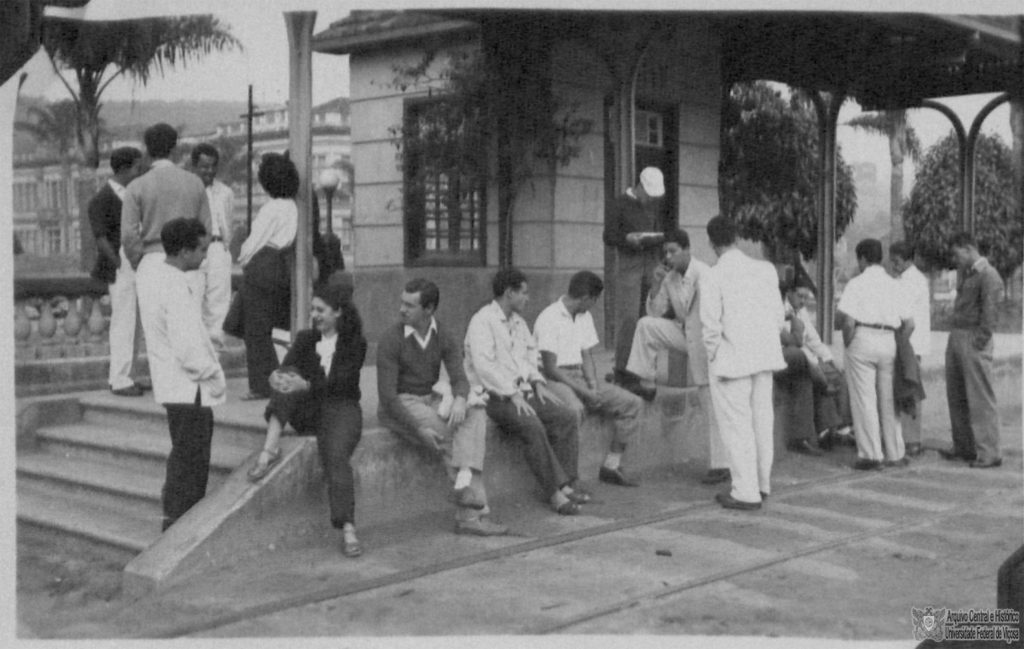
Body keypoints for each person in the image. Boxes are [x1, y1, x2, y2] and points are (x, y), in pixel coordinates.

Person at [377, 279, 508, 536]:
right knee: (453, 435)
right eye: (402, 303)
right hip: (401, 403)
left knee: (476, 413)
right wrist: (418, 430)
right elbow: (388, 398)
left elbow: (460, 378)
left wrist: (460, 398)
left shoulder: (442, 334)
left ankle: (465, 492)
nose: (402, 309)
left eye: (410, 305)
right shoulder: (391, 339)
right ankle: (472, 514)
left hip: (431, 397)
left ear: (429, 309)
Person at [246, 282, 367, 557]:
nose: (314, 315)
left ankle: (348, 526)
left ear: (338, 312)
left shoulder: (354, 343)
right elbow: (287, 366)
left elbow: (344, 383)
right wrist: (277, 377)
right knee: (288, 378)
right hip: (310, 410)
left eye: (320, 310)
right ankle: (269, 450)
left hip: (342, 408)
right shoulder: (305, 339)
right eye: (313, 309)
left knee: (336, 455)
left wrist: (307, 385)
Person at [464, 268, 588, 516]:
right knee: (531, 424)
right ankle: (554, 493)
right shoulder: (482, 321)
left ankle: (567, 484)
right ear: (509, 293)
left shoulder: (519, 323)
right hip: (493, 395)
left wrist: (537, 382)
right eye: (523, 292)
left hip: (522, 391)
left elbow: (530, 357)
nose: (527, 298)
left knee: (564, 416)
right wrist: (512, 394)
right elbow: (485, 367)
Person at [615, 229, 728, 485]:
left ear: (687, 250)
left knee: (710, 401)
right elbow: (655, 313)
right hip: (684, 333)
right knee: (646, 325)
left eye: (673, 251)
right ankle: (644, 381)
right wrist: (655, 286)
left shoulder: (705, 274)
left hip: (707, 342)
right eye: (665, 252)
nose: (668, 257)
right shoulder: (670, 278)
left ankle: (721, 464)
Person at [135, 218, 226, 532]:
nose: (204, 257)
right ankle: (180, 526)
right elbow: (188, 347)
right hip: (189, 387)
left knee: (183, 456)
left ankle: (175, 520)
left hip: (171, 385)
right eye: (201, 250)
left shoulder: (154, 275)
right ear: (185, 251)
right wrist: (213, 374)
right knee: (191, 462)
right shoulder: (174, 286)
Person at [700, 216, 786, 510]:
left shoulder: (712, 275)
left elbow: (710, 326)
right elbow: (778, 318)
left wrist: (715, 355)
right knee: (762, 422)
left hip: (731, 360)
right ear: (736, 238)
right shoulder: (765, 270)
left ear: (711, 243)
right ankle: (761, 484)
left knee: (737, 427)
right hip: (764, 357)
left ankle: (745, 491)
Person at [533, 271, 645, 487]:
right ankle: (566, 480)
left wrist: (592, 386)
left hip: (579, 376)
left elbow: (586, 355)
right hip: (554, 379)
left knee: (632, 404)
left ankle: (611, 465)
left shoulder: (584, 316)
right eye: (594, 300)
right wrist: (585, 393)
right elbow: (550, 368)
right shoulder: (549, 317)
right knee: (573, 411)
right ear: (586, 298)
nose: (594, 305)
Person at [836, 238, 913, 471]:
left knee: (864, 399)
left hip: (863, 338)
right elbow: (910, 324)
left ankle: (871, 454)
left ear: (862, 259)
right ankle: (895, 453)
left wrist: (848, 343)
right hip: (889, 340)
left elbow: (847, 322)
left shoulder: (856, 284)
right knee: (889, 400)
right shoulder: (894, 284)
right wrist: (898, 342)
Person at [121, 123, 212, 310]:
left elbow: (128, 235)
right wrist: (196, 257)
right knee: (188, 324)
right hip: (187, 262)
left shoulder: (136, 186)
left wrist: (139, 261)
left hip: (152, 262)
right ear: (174, 148)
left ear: (147, 150)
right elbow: (206, 229)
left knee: (153, 328)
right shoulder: (195, 183)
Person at [236, 152, 298, 400]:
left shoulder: (271, 209)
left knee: (255, 329)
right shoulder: (293, 206)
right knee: (270, 328)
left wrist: (243, 258)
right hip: (282, 265)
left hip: (263, 263)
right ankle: (274, 378)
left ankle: (261, 384)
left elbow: (253, 244)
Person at [940, 233, 1004, 469]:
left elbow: (991, 311)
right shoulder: (967, 274)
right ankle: (964, 446)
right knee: (956, 394)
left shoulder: (989, 275)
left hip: (973, 337)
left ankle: (989, 452)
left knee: (980, 397)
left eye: (957, 254)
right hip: (958, 335)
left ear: (968, 248)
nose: (955, 259)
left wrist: (981, 339)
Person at [88, 146, 146, 396]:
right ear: (124, 169)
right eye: (137, 167)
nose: (139, 172)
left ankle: (128, 375)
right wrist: (120, 264)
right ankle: (120, 378)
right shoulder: (102, 199)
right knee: (123, 321)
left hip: (134, 261)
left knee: (134, 323)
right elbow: (100, 238)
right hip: (120, 265)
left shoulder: (131, 195)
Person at [604, 167, 666, 381]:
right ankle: (623, 369)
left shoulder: (653, 206)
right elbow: (609, 236)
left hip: (651, 259)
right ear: (639, 186)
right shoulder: (620, 203)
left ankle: (647, 368)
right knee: (629, 317)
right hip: (629, 261)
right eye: (648, 195)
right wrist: (626, 239)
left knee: (651, 314)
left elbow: (657, 229)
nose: (650, 199)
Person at [780, 277, 854, 451]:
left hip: (807, 358)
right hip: (789, 358)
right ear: (789, 293)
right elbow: (791, 343)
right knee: (817, 378)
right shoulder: (780, 310)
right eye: (800, 296)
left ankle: (840, 430)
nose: (803, 301)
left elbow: (814, 340)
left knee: (840, 376)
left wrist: (830, 360)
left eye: (806, 297)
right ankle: (825, 431)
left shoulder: (802, 311)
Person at [191, 143, 235, 346]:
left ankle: (216, 349)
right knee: (194, 298)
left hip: (218, 247)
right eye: (204, 166)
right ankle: (196, 348)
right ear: (195, 166)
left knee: (219, 302)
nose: (209, 171)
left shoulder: (225, 192)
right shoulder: (188, 190)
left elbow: (229, 222)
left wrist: (225, 248)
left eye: (212, 166)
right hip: (195, 248)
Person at [889, 241, 931, 457]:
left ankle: (912, 439)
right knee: (906, 388)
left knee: (910, 388)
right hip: (911, 341)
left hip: (910, 342)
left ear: (907, 260)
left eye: (896, 261)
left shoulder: (911, 281)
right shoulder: (911, 279)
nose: (894, 265)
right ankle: (908, 438)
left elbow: (903, 315)